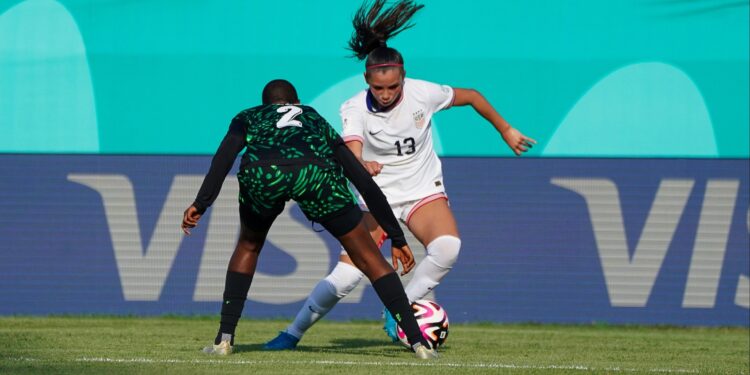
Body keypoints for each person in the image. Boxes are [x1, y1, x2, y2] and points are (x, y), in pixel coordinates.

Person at [264, 0, 536, 350]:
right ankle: (292, 333)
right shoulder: (354, 107)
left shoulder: (424, 93)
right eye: (379, 88)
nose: (387, 94)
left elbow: (472, 97)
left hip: (422, 190)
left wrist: (506, 130)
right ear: (367, 81)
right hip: (376, 200)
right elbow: (352, 148)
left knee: (448, 248)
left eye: (393, 87)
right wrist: (362, 164)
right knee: (347, 276)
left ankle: (399, 311)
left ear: (403, 77)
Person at [181, 79, 438, 359]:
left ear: (265, 104)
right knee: (368, 257)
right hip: (314, 174)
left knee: (248, 246)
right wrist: (397, 236)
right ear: (297, 102)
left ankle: (224, 340)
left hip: (264, 173)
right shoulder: (312, 116)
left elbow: (224, 157)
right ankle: (418, 343)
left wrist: (201, 202)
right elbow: (361, 178)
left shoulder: (248, 116)